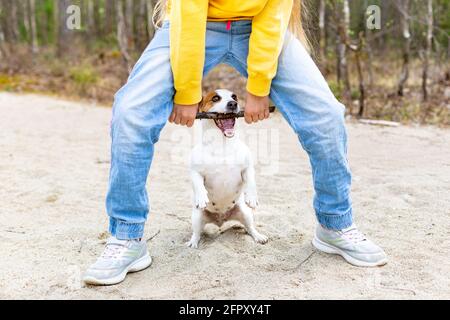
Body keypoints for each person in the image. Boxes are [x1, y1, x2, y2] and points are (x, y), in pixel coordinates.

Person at [83, 0, 387, 286]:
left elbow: (273, 12)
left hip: (260, 24)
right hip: (194, 23)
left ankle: (334, 224)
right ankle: (126, 236)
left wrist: (258, 87)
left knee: (326, 115)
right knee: (130, 113)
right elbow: (188, 12)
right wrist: (187, 92)